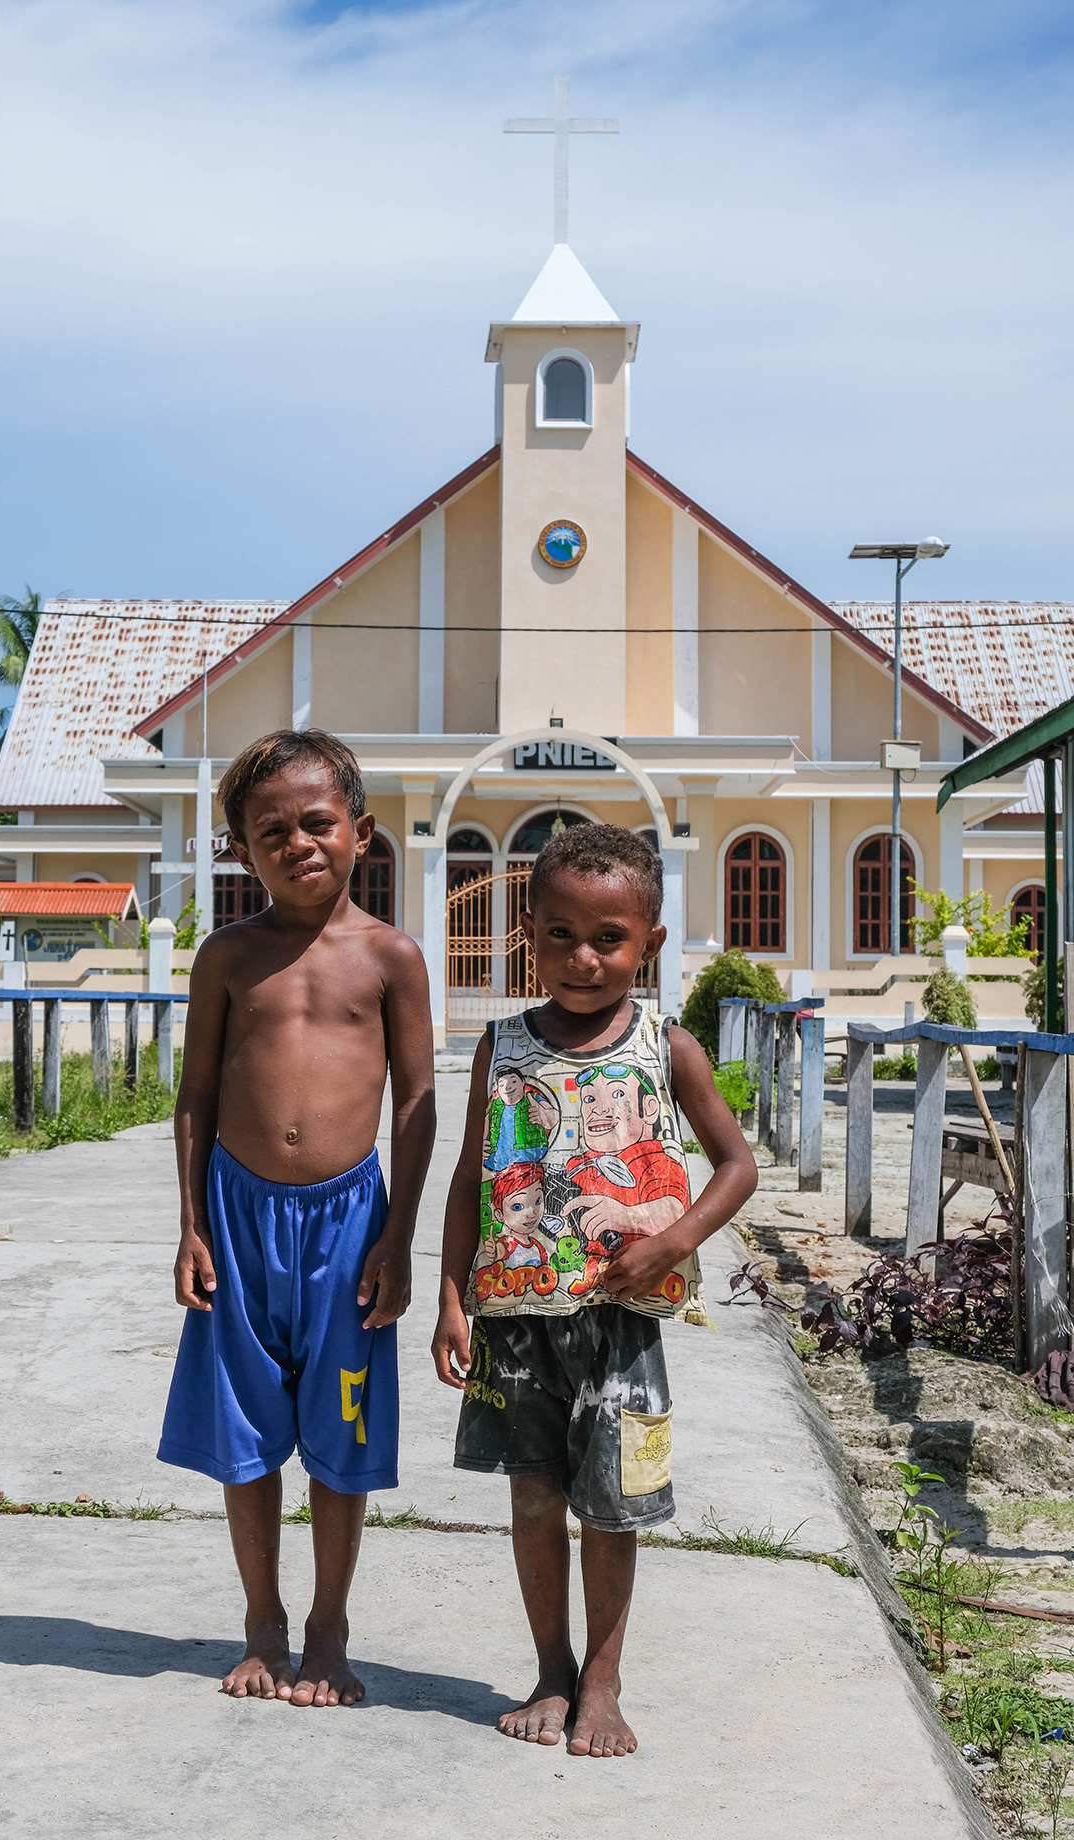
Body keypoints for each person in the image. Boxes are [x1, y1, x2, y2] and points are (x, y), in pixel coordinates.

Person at [432, 822, 757, 1759]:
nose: (583, 958)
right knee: (533, 1500)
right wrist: (453, 1296)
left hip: (621, 1323)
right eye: (560, 933)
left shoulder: (667, 1045)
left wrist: (675, 1243)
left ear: (649, 945)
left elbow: (735, 1166)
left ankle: (604, 1683)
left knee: (611, 1507)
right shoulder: (498, 1047)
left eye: (608, 938)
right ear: (528, 932)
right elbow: (469, 1179)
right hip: (512, 1321)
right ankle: (551, 1672)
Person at [159, 728, 436, 1710]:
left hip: (348, 1223)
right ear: (240, 849)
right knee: (242, 1433)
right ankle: (261, 1625)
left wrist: (398, 1239)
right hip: (236, 1219)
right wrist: (191, 1223)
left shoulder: (390, 958)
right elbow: (193, 1094)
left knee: (340, 1430)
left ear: (359, 831)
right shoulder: (226, 957)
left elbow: (413, 1102)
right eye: (269, 830)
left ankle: (327, 1628)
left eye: (317, 822)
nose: (297, 843)